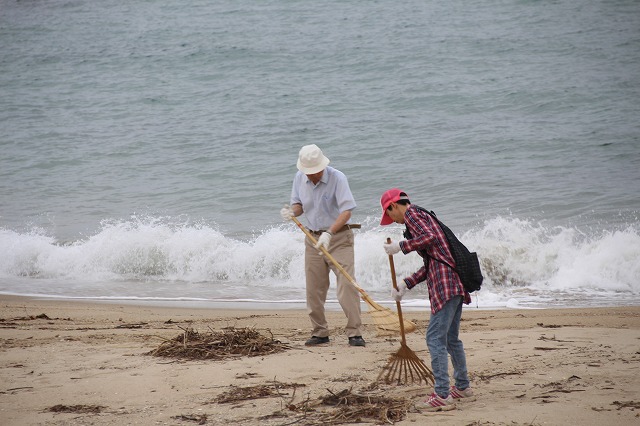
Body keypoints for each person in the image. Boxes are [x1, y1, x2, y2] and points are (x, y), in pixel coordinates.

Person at [380, 188, 474, 411]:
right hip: (454, 283)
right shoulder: (424, 216)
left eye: (389, 215)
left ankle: (442, 394)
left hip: (445, 285)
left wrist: (400, 246)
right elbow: (433, 262)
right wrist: (405, 284)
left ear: (393, 206)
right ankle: (462, 387)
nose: (392, 221)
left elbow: (428, 238)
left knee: (434, 338)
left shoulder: (413, 215)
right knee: (451, 339)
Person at [280, 144, 365, 347]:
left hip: (339, 238)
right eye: (307, 172)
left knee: (347, 285)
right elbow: (299, 205)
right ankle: (320, 332)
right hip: (312, 238)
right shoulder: (300, 177)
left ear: (322, 166)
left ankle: (355, 333)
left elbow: (346, 211)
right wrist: (292, 212)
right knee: (314, 288)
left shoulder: (338, 178)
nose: (310, 176)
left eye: (313, 172)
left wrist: (329, 233)